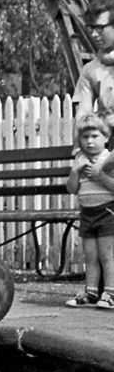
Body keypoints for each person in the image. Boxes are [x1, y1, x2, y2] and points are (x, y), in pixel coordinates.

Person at [65, 111, 114, 308]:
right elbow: (72, 188)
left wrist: (99, 175)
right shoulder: (80, 160)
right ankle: (91, 291)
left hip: (107, 212)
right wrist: (75, 171)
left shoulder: (109, 160)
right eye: (85, 137)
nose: (89, 142)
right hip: (87, 213)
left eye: (95, 136)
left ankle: (110, 293)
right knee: (90, 256)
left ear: (106, 138)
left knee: (107, 256)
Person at [72, 5, 114, 120]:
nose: (94, 34)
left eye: (100, 27)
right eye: (91, 28)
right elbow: (83, 114)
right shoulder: (91, 69)